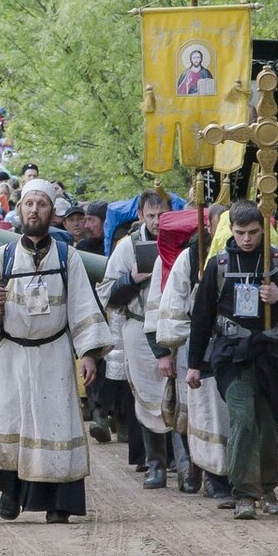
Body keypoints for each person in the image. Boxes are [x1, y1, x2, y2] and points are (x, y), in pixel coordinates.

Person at [0, 179, 117, 524]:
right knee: (10, 423)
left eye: (42, 204)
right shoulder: (3, 255)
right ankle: (11, 491)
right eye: (29, 204)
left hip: (54, 356)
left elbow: (82, 305)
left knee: (56, 427)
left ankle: (59, 504)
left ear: (52, 212)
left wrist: (90, 354)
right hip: (13, 357)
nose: (35, 210)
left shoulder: (67, 257)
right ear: (19, 209)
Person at [186, 200, 278, 520]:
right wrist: (193, 363)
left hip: (272, 355)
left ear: (265, 230)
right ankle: (244, 493)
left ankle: (268, 488)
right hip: (232, 356)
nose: (247, 239)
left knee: (268, 422)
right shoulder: (217, 266)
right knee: (243, 418)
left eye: (254, 232)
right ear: (230, 230)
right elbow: (202, 317)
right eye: (241, 232)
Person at [99, 191, 187, 489]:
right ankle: (156, 464)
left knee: (180, 393)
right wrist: (132, 279)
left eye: (161, 215)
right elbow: (108, 293)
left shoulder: (182, 242)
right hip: (137, 327)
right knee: (148, 397)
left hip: (175, 326)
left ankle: (185, 464)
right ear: (140, 216)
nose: (157, 221)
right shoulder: (127, 247)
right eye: (151, 216)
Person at [156, 204, 234, 504]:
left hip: (238, 345)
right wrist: (169, 348)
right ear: (210, 226)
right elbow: (172, 302)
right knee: (207, 415)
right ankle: (212, 475)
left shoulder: (247, 257)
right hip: (200, 344)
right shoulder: (191, 258)